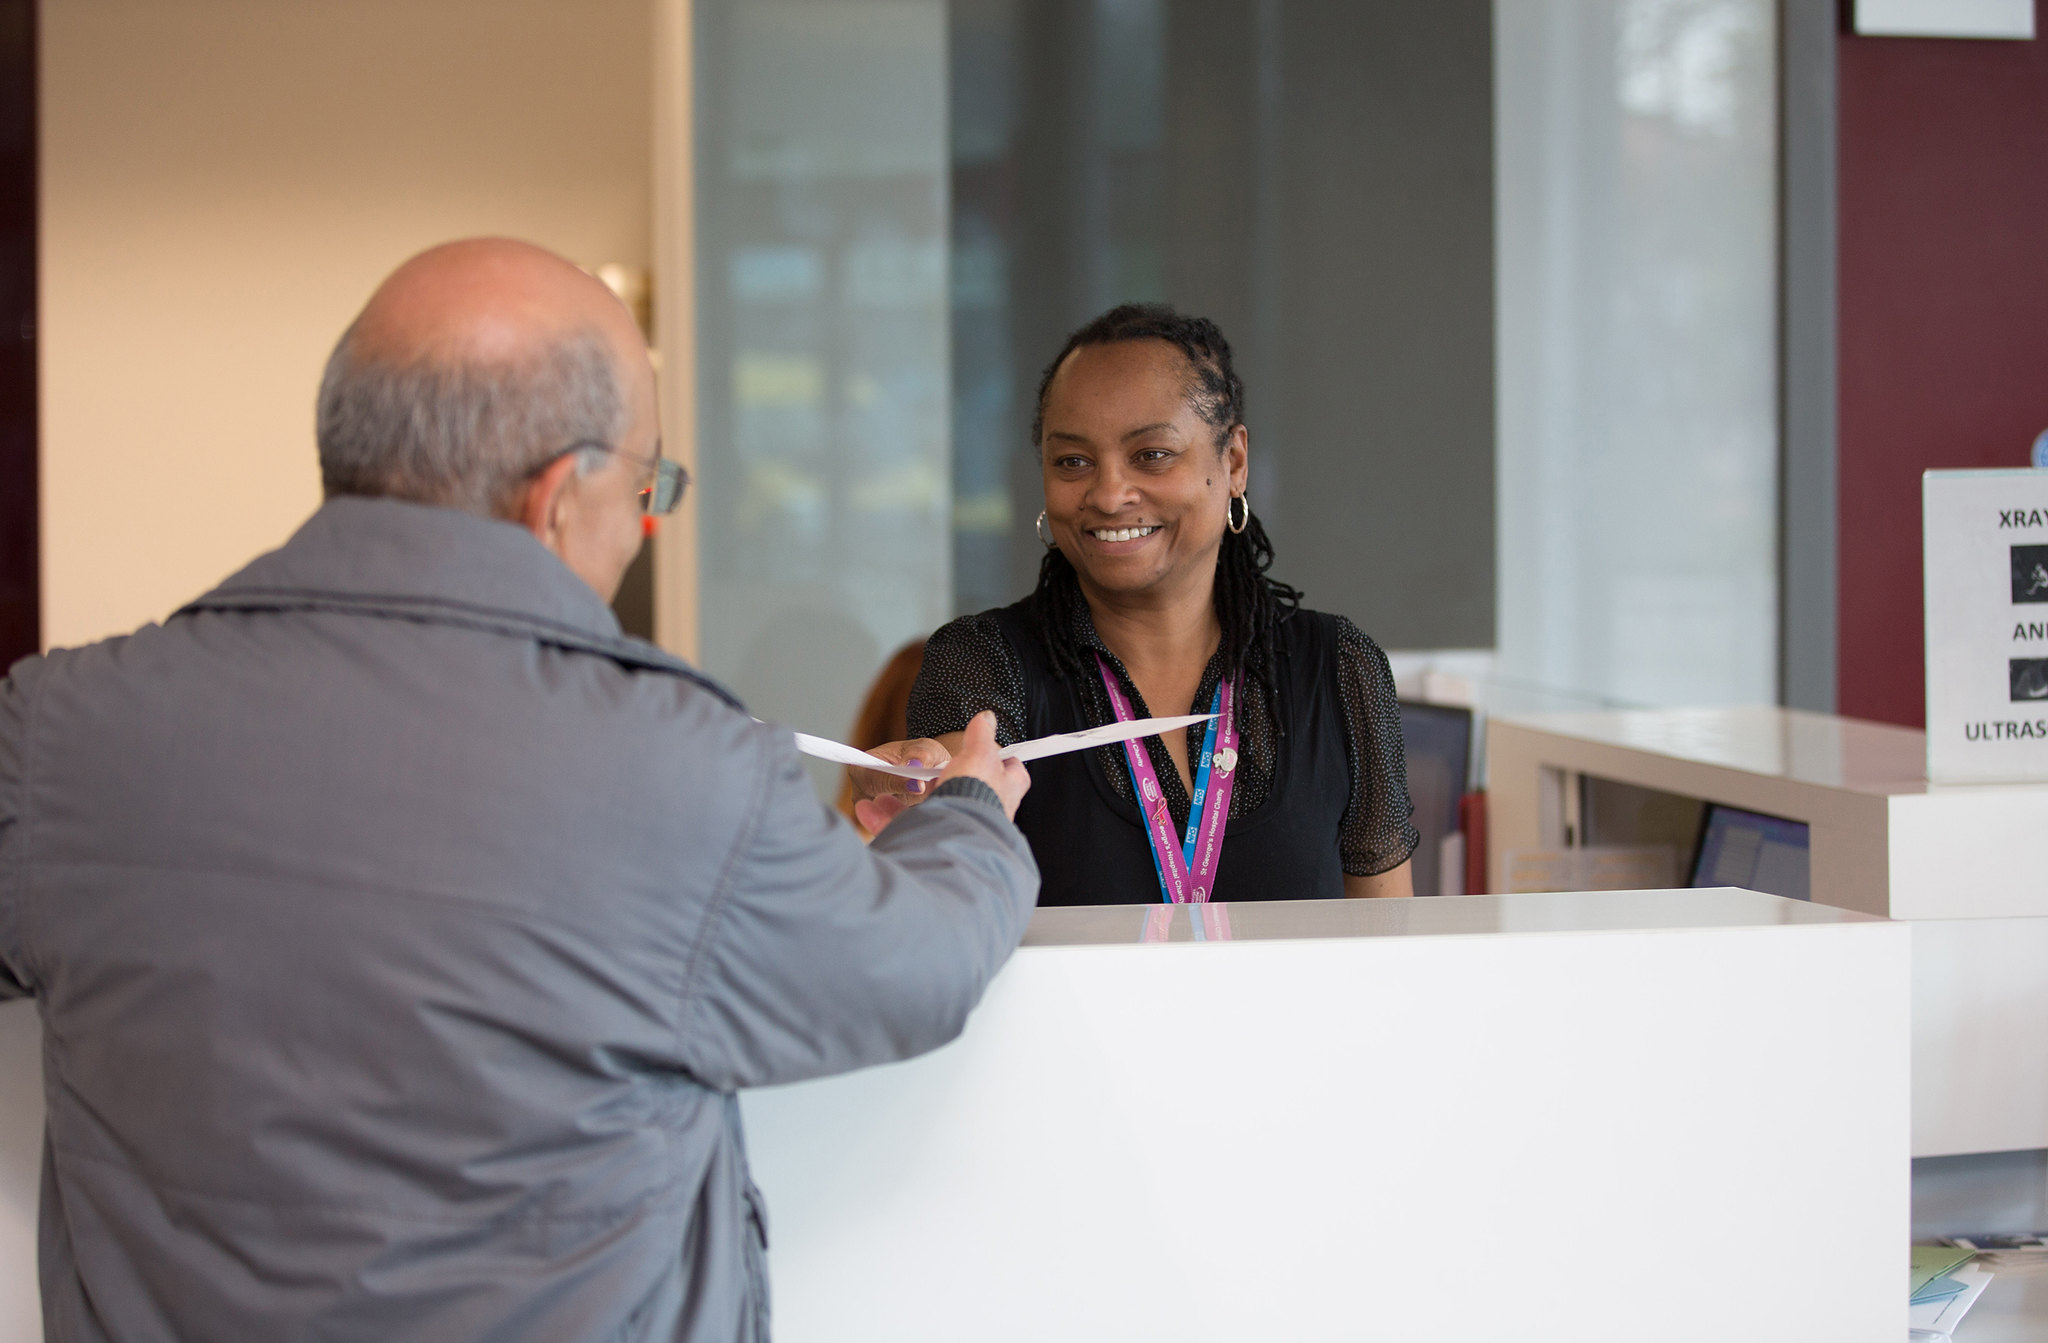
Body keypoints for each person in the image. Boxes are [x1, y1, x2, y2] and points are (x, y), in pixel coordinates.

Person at [0, 239, 1035, 1342]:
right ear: (556, 497)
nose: (641, 530)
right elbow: (910, 968)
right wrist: (967, 812)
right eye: (648, 489)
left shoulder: (56, 731)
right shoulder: (677, 766)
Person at [853, 303, 1416, 905]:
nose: (1109, 493)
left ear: (1233, 463)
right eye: (1073, 461)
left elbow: (1390, 946)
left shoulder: (1338, 668)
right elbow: (960, 765)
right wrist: (930, 778)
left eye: (1151, 455)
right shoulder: (985, 659)